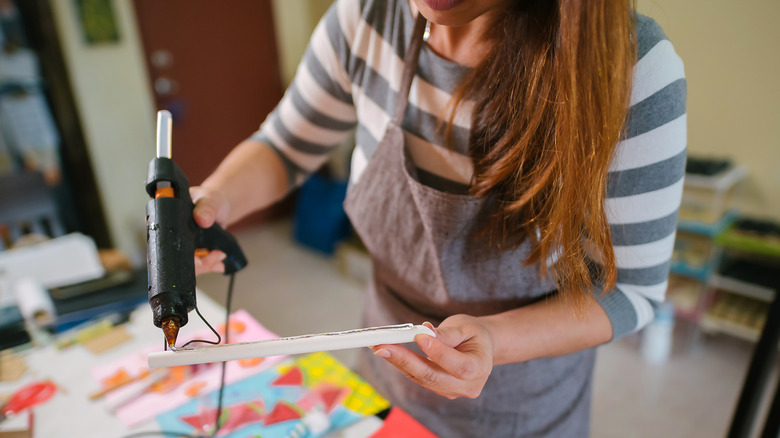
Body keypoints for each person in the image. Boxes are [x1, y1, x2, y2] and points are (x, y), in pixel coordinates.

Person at [192, 0, 686, 436]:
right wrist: (215, 199)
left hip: (521, 406)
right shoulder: (366, 16)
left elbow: (630, 291)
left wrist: (494, 339)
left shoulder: (629, 67)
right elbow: (285, 146)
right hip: (385, 378)